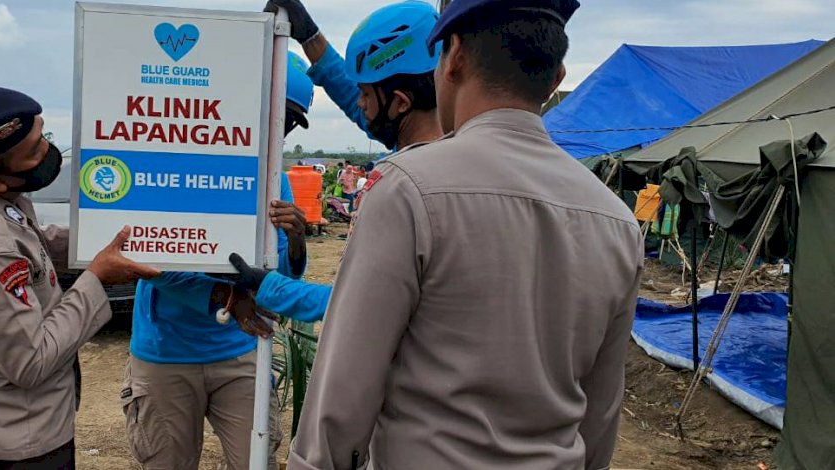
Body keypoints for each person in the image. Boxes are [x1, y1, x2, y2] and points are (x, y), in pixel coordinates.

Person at [288, 1, 646, 469]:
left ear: (452, 56)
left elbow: (342, 398)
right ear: (556, 76)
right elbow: (600, 413)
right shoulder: (616, 220)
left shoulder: (406, 190)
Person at [0, 86, 160, 469]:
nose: (47, 152)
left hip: (11, 422)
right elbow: (30, 361)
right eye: (34, 152)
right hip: (19, 442)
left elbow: (28, 240)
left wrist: (94, 239)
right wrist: (97, 278)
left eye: (43, 137)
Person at [121, 51, 313, 470]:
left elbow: (278, 272)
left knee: (256, 461)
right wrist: (227, 297)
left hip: (239, 350)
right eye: (274, 116)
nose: (277, 131)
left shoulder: (274, 177)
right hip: (167, 352)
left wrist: (296, 239)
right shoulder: (176, 166)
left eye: (290, 122)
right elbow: (153, 262)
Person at [267, 0, 445, 151]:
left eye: (365, 94)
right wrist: (310, 37)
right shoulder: (445, 146)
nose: (360, 103)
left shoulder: (399, 177)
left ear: (401, 103)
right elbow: (353, 96)